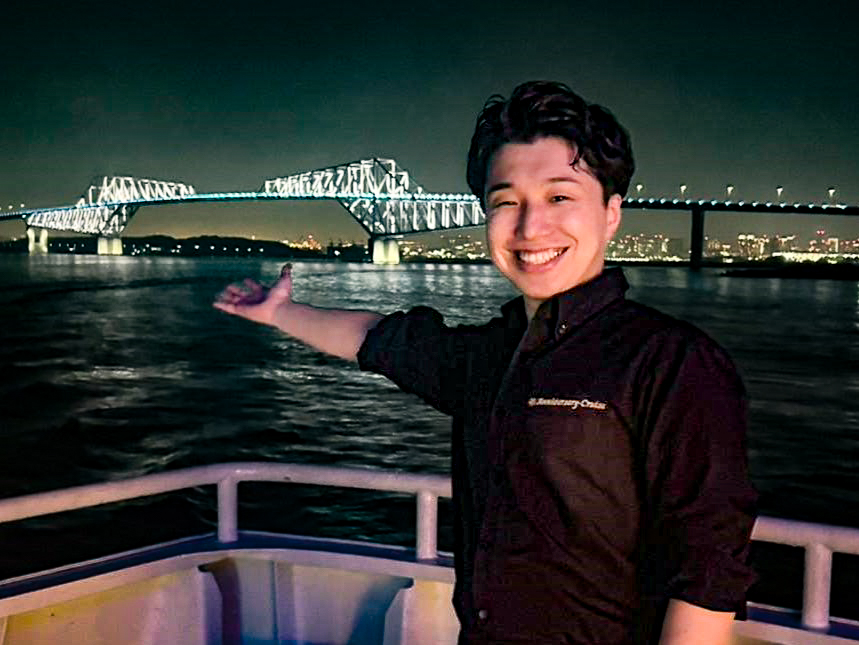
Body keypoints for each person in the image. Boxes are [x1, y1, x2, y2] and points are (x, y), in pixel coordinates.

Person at [214, 80, 757, 644]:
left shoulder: (672, 363)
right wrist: (281, 313)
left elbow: (707, 570)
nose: (530, 227)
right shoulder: (489, 355)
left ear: (611, 213)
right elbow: (377, 339)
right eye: (506, 202)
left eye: (559, 197)